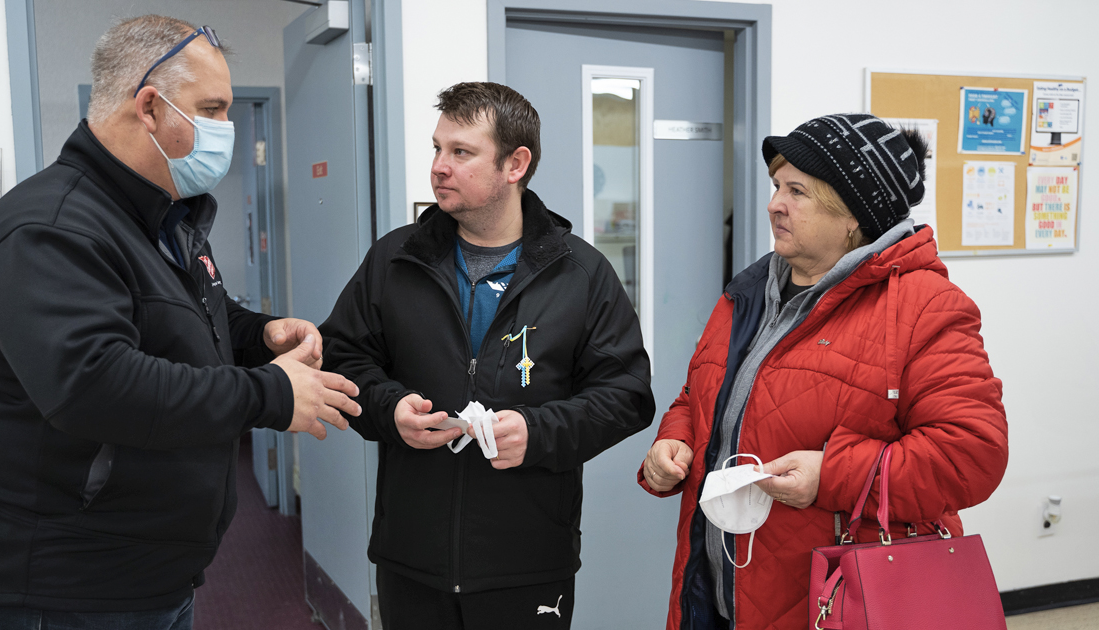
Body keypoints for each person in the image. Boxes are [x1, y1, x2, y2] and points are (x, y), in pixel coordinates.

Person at [0, 15, 361, 630]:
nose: (225, 127)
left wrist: (259, 336)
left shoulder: (163, 215)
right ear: (150, 106)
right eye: (213, 108)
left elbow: (192, 317)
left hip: (149, 570)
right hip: (69, 584)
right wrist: (270, 393)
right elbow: (95, 386)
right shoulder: (50, 228)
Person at [638, 114, 1008, 630]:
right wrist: (673, 443)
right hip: (718, 592)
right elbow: (701, 397)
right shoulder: (748, 295)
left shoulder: (926, 308)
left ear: (853, 214)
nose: (774, 204)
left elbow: (971, 454)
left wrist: (831, 476)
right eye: (775, 187)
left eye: (797, 191)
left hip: (834, 604)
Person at [319, 82, 655, 629]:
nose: (438, 168)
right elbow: (342, 357)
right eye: (436, 148)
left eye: (461, 152)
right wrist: (390, 409)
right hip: (412, 558)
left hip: (527, 563)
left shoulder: (581, 273)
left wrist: (539, 431)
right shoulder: (395, 259)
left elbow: (626, 396)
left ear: (515, 164)